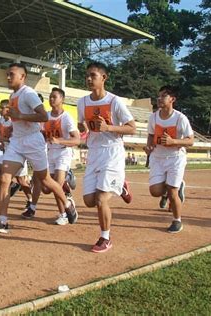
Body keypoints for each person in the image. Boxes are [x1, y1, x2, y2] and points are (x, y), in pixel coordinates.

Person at [0, 63, 77, 234]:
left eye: (12, 74)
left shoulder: (28, 93)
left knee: (46, 181)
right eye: (7, 74)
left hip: (33, 141)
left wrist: (20, 116)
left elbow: (42, 115)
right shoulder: (13, 96)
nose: (8, 77)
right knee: (4, 177)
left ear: (22, 76)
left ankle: (68, 204)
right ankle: (2, 221)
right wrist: (13, 125)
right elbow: (19, 119)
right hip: (17, 142)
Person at [77, 62, 136, 253]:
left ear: (104, 78)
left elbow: (132, 128)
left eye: (93, 75)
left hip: (112, 152)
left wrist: (109, 127)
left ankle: (105, 238)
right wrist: (83, 129)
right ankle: (121, 186)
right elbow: (82, 125)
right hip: (94, 154)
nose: (88, 79)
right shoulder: (82, 102)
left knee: (102, 199)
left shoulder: (114, 101)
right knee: (89, 200)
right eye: (87, 75)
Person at [144, 85, 194, 233]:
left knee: (172, 192)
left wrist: (174, 142)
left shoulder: (180, 118)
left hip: (175, 158)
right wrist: (149, 147)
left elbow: (190, 141)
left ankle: (177, 220)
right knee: (155, 191)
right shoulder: (153, 117)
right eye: (158, 96)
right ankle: (176, 186)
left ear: (172, 99)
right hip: (157, 157)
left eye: (163, 96)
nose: (159, 99)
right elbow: (151, 135)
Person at [27, 87, 81, 223]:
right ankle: (68, 179)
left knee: (56, 184)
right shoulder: (46, 116)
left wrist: (59, 140)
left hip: (63, 152)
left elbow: (76, 139)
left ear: (62, 99)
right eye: (50, 97)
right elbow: (43, 134)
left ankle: (63, 214)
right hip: (50, 152)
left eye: (54, 97)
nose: (51, 99)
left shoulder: (66, 117)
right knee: (46, 188)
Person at [0, 99, 33, 207]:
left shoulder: (14, 121)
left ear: (7, 109)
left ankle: (31, 200)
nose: (0, 110)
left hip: (17, 151)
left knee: (22, 180)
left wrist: (3, 139)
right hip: (7, 152)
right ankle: (12, 184)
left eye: (2, 107)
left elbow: (14, 139)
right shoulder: (0, 119)